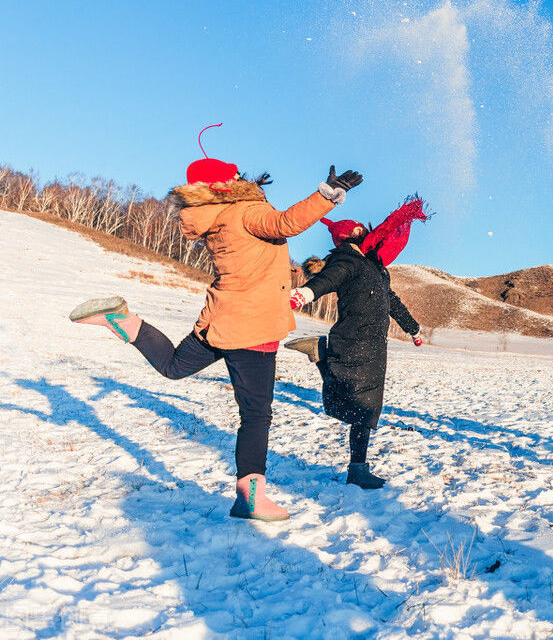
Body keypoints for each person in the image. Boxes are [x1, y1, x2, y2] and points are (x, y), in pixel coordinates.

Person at [70, 124, 363, 521]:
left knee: (174, 366)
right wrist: (326, 196)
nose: (243, 177)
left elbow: (262, 254)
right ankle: (251, 498)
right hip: (253, 328)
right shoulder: (246, 210)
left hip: (221, 319)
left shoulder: (212, 219)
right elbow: (285, 224)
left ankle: (122, 320)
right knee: (256, 414)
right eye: (236, 175)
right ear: (226, 184)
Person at [285, 197, 428, 489]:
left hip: (374, 344)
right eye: (359, 232)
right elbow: (329, 278)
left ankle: (320, 354)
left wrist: (412, 329)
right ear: (347, 238)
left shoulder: (376, 266)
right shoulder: (346, 260)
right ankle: (357, 469)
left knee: (364, 404)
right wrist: (306, 294)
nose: (365, 234)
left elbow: (393, 301)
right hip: (354, 338)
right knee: (362, 403)